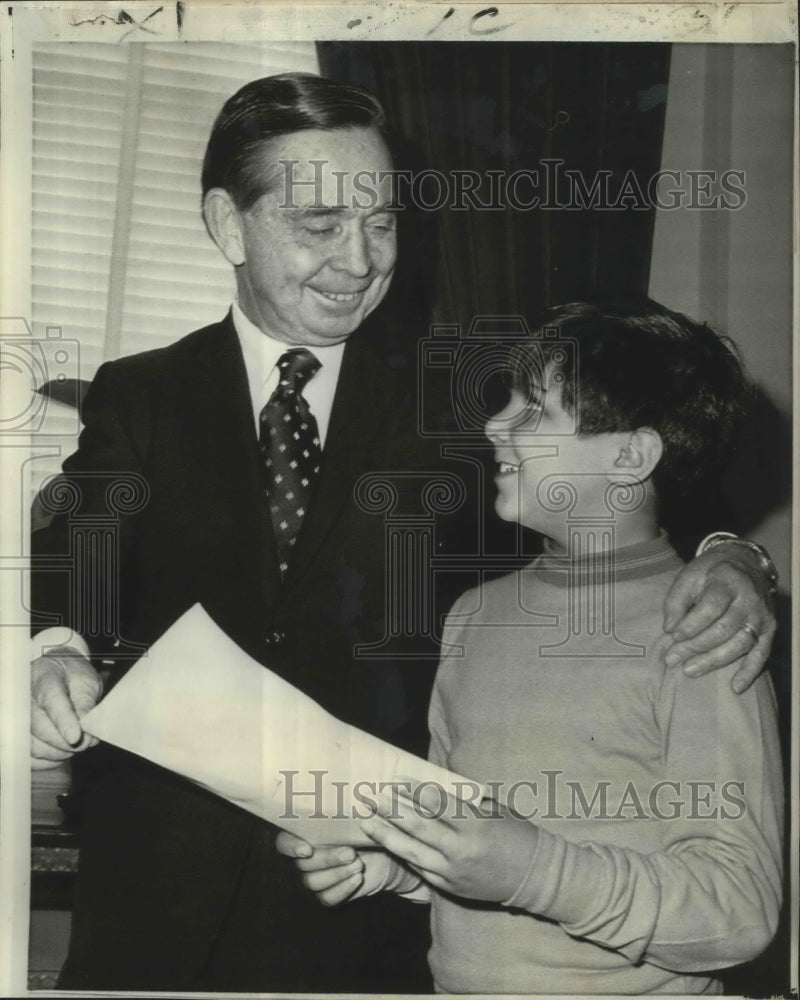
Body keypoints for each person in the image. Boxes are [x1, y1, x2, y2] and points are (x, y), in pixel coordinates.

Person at [29, 72, 778, 992]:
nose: (358, 261)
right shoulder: (144, 391)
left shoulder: (456, 390)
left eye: (381, 223)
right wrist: (61, 643)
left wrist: (738, 558)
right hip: (156, 892)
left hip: (374, 902)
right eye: (319, 227)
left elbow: (638, 476)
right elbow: (81, 521)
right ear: (228, 224)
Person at [279, 298, 783, 995]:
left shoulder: (706, 627)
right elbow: (480, 846)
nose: (492, 424)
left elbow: (738, 914)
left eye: (533, 410)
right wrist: (394, 867)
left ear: (630, 455)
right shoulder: (474, 615)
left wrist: (529, 871)